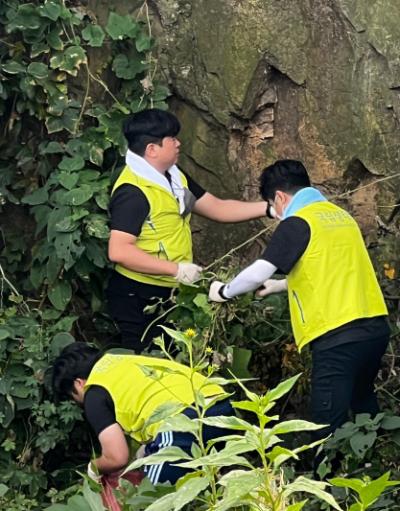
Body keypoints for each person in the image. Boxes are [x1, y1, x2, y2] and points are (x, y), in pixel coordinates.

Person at [208, 159, 390, 462]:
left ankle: (326, 484)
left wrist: (224, 291)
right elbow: (329, 268)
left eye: (273, 206)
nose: (276, 213)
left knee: (325, 428)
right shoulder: (339, 216)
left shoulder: (297, 222)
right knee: (364, 410)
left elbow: (258, 271)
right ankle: (377, 466)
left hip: (337, 337)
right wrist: (280, 286)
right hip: (374, 330)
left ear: (279, 197)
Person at [107, 108, 268, 352]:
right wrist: (176, 270)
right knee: (148, 363)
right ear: (152, 149)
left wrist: (270, 209)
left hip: (171, 291)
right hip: (138, 296)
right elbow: (119, 251)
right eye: (172, 139)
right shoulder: (133, 192)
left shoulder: (173, 176)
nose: (178, 143)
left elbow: (217, 208)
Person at [51, 342, 234, 485]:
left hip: (183, 420)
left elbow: (117, 457)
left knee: (150, 496)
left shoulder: (94, 391)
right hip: (221, 405)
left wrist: (94, 468)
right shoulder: (121, 361)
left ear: (78, 383)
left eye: (74, 397)